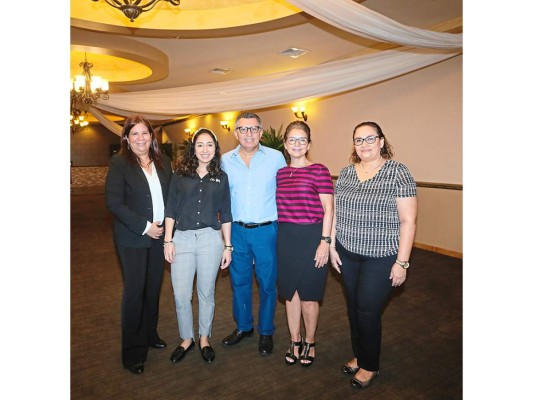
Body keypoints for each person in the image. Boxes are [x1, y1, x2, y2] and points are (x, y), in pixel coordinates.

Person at [329, 121, 417, 389]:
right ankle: (361, 355)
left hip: (381, 256)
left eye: (370, 139)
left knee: (367, 310)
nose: (364, 144)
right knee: (354, 308)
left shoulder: (398, 172)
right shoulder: (345, 173)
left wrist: (402, 262)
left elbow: (408, 221)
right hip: (347, 252)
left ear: (381, 141)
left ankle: (370, 365)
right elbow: (336, 213)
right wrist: (332, 245)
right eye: (358, 140)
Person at [105, 115, 173, 374]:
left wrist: (167, 230)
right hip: (133, 237)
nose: (141, 138)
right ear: (126, 138)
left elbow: (171, 197)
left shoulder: (164, 162)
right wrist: (146, 227)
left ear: (151, 137)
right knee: (135, 293)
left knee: (153, 289)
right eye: (135, 134)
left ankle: (149, 334)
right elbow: (114, 203)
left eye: (145, 133)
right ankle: (133, 351)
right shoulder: (120, 163)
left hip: (160, 237)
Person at [163, 128, 233, 365]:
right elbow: (170, 209)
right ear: (193, 148)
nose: (205, 150)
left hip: (210, 240)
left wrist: (228, 246)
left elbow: (226, 213)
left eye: (210, 145)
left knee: (206, 293)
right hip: (181, 239)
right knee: (181, 294)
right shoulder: (180, 174)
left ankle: (204, 338)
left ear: (216, 148)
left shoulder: (221, 177)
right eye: (200, 145)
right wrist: (168, 240)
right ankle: (186, 338)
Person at [220, 112, 287, 356]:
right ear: (235, 133)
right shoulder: (225, 160)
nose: (248, 133)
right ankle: (244, 326)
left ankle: (266, 331)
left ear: (260, 132)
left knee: (268, 284)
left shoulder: (276, 158)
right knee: (239, 282)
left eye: (253, 128)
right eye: (243, 129)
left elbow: (286, 192)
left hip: (266, 231)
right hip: (237, 231)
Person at [275, 121, 334, 367]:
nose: (297, 144)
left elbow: (329, 210)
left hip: (312, 238)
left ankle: (310, 341)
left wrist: (325, 243)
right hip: (286, 239)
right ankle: (294, 339)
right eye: (292, 140)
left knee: (309, 296)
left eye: (302, 140)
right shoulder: (280, 173)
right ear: (285, 144)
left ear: (309, 144)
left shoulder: (319, 170)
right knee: (290, 294)